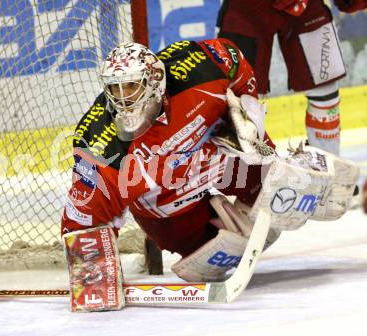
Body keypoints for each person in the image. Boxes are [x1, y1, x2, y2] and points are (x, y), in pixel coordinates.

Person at [61, 39, 359, 311]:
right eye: (114, 88)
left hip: (215, 155)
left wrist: (245, 111)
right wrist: (92, 275)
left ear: (154, 82)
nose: (122, 99)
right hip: (164, 199)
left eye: (130, 87)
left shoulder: (196, 68)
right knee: (210, 254)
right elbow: (82, 217)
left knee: (281, 183)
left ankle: (305, 174)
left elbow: (234, 60)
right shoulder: (101, 144)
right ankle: (221, 223)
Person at [216, 0, 367, 157]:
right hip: (250, 8)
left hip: (305, 7)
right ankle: (235, 171)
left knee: (325, 91)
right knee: (238, 97)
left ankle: (328, 164)